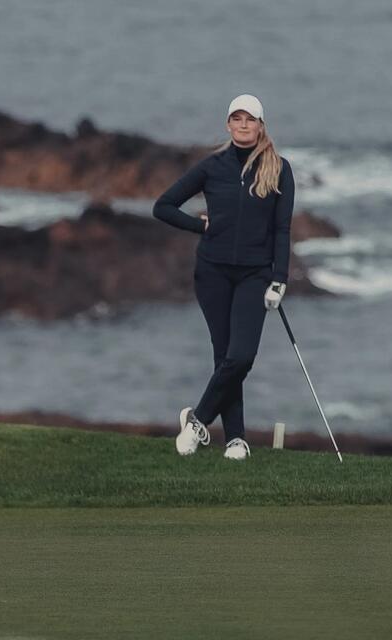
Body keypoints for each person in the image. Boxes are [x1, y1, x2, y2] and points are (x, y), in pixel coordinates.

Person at [152, 94, 295, 461]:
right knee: (225, 356)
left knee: (242, 356)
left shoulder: (279, 168)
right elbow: (163, 206)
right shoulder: (211, 166)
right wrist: (200, 226)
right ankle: (236, 440)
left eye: (250, 119)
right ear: (228, 124)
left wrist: (279, 278)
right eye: (237, 118)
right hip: (212, 273)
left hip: (255, 274)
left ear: (262, 125)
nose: (243, 125)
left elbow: (281, 230)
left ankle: (197, 421)